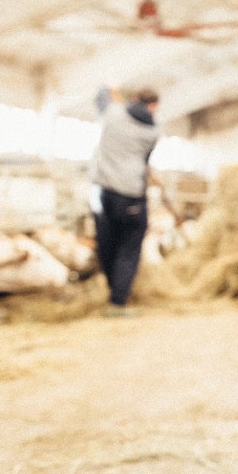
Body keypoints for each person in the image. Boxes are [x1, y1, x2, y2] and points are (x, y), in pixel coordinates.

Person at [89, 86, 160, 315]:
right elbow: (145, 158)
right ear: (153, 107)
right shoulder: (153, 131)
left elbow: (100, 95)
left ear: (135, 98)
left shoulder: (112, 112)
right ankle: (117, 302)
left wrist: (110, 86)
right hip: (131, 195)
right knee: (128, 249)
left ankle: (113, 292)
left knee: (106, 244)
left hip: (103, 191)